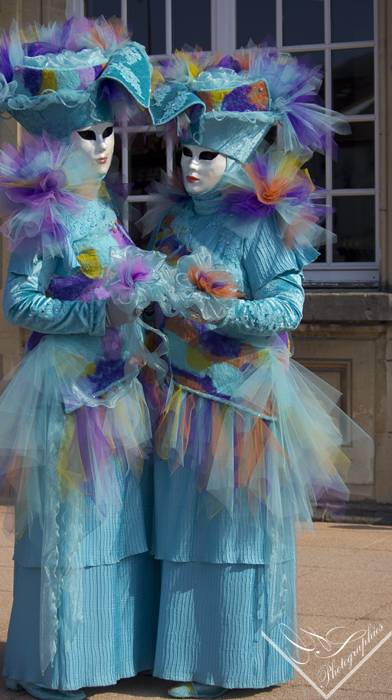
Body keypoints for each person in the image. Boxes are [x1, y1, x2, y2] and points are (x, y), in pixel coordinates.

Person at [0, 17, 162, 700]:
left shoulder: (104, 212)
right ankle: (60, 664)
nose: (100, 147)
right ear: (57, 140)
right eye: (84, 135)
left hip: (117, 382)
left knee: (114, 520)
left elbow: (125, 279)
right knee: (70, 524)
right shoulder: (45, 216)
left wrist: (147, 289)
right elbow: (18, 304)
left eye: (105, 133)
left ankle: (110, 650)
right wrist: (96, 313)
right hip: (64, 389)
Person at [144, 46, 374, 697]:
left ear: (239, 155)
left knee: (239, 533)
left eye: (207, 156)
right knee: (187, 528)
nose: (191, 167)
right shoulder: (171, 223)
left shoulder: (261, 223)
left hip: (243, 398)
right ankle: (191, 659)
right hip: (182, 394)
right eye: (186, 153)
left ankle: (242, 663)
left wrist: (222, 308)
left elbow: (287, 307)